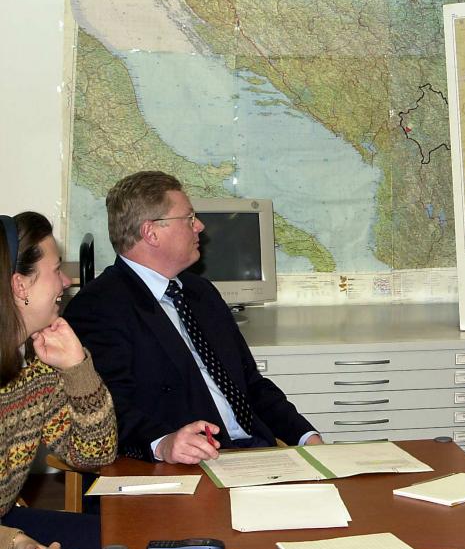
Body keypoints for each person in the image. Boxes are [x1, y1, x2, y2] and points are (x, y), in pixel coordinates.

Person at [65, 172, 322, 464]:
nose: (200, 225)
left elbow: (251, 384)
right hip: (183, 465)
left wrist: (305, 435)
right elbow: (107, 409)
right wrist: (163, 444)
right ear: (151, 232)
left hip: (254, 451)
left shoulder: (201, 292)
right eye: (189, 218)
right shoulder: (97, 308)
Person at [0, 212, 117, 549]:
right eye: (56, 270)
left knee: (124, 539)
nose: (66, 281)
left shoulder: (36, 363)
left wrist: (77, 368)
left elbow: (95, 454)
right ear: (20, 286)